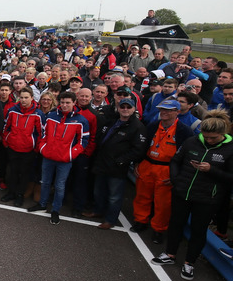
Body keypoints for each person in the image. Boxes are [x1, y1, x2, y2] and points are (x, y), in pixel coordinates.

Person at [152, 111, 233, 281]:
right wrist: (175, 179)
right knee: (175, 223)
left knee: (198, 230)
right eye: (206, 136)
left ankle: (190, 262)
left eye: (213, 138)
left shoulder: (230, 149)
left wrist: (212, 170)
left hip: (207, 198)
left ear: (223, 134)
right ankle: (169, 253)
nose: (209, 140)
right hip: (182, 191)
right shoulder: (192, 141)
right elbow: (176, 160)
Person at [130, 99, 193, 243]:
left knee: (163, 203)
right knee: (142, 196)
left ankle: (159, 229)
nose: (164, 112)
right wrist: (137, 164)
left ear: (177, 112)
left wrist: (176, 175)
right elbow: (141, 146)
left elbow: (187, 156)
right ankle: (141, 221)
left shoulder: (184, 131)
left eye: (168, 110)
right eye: (162, 109)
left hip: (167, 169)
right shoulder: (152, 126)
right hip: (148, 164)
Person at [28, 91, 89, 225]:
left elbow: (83, 141)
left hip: (65, 160)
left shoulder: (81, 120)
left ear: (74, 103)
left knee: (60, 186)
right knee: (45, 182)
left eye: (68, 103)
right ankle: (42, 205)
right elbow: (43, 134)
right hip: (48, 156)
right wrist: (43, 148)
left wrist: (71, 154)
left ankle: (56, 210)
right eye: (62, 102)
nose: (65, 105)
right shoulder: (51, 116)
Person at [89, 97, 148, 229]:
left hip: (117, 167)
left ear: (134, 109)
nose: (125, 109)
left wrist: (121, 161)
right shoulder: (113, 121)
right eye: (123, 107)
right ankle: (98, 211)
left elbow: (138, 150)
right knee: (99, 191)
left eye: (128, 107)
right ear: (118, 108)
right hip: (102, 162)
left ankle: (110, 220)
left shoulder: (137, 127)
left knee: (114, 196)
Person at [1, 87, 42, 207]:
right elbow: (6, 127)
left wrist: (35, 147)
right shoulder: (13, 110)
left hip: (28, 149)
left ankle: (20, 195)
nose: (23, 100)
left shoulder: (37, 113)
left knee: (24, 174)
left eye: (26, 97)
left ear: (32, 98)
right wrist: (6, 141)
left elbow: (40, 133)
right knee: (13, 172)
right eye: (21, 97)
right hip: (13, 147)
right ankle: (11, 192)